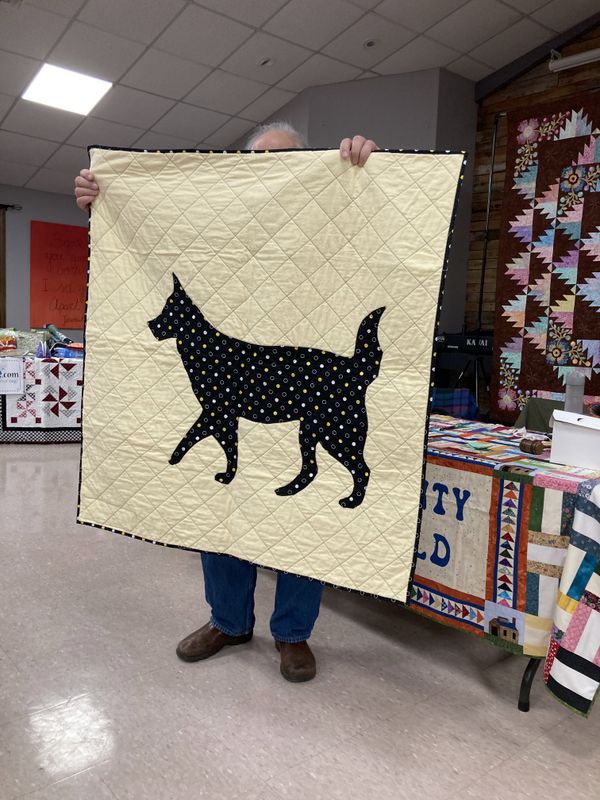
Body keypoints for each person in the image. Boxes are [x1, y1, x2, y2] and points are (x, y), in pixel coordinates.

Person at [74, 124, 379, 682]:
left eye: (284, 160)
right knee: (217, 506)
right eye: (259, 160)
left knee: (303, 516)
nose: (270, 170)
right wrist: (108, 201)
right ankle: (230, 621)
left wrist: (375, 173)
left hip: (296, 374)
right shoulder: (214, 227)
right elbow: (158, 239)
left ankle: (293, 633)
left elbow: (380, 237)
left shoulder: (329, 217)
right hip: (238, 370)